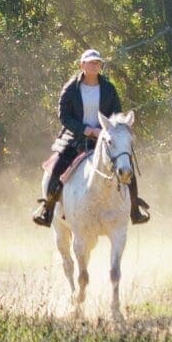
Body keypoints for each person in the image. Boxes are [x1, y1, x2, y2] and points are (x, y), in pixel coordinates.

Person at [35, 50, 147, 226]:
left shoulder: (109, 88)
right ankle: (47, 210)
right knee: (57, 168)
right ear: (82, 65)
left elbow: (116, 113)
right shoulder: (71, 88)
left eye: (97, 62)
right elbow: (64, 117)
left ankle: (134, 210)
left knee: (126, 166)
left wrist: (108, 130)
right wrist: (87, 130)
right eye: (91, 62)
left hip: (105, 137)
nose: (95, 65)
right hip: (74, 138)